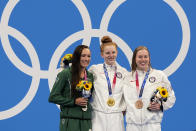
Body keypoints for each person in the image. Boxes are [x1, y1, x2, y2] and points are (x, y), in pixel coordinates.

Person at [123, 46, 176, 131]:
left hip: (152, 126)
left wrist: (161, 106)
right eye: (140, 57)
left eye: (145, 57)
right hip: (132, 126)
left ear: (149, 58)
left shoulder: (159, 76)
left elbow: (172, 98)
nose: (143, 59)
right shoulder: (127, 78)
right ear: (135, 59)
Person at [49, 45, 94, 131]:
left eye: (88, 56)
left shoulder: (90, 76)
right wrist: (74, 101)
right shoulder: (65, 74)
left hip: (86, 122)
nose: (86, 59)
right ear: (77, 57)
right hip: (70, 121)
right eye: (83, 55)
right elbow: (53, 97)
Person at [88, 36, 128, 131]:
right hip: (97, 116)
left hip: (116, 117)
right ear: (102, 54)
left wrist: (124, 109)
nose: (111, 55)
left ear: (117, 53)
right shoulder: (94, 69)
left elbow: (128, 94)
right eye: (107, 53)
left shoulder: (124, 72)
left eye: (113, 52)